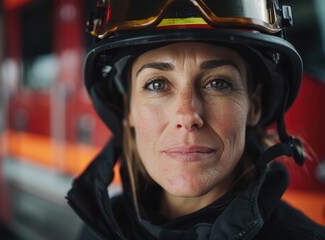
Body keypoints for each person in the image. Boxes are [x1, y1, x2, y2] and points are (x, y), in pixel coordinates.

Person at [67, 0, 325, 239]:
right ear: (128, 109)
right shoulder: (94, 233)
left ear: (253, 106)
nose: (188, 116)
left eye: (218, 83)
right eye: (157, 84)